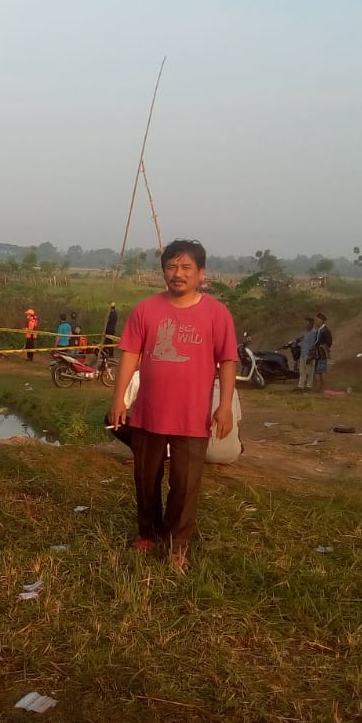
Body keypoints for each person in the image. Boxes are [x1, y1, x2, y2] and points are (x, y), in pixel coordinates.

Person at [109, 239, 237, 570]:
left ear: (200, 273)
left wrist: (223, 406)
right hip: (149, 413)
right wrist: (119, 398)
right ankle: (148, 534)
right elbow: (130, 357)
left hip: (193, 417)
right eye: (171, 267)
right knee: (145, 478)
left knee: (185, 483)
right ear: (163, 271)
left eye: (185, 267)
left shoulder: (216, 313)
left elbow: (227, 361)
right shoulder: (146, 310)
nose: (177, 274)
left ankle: (177, 543)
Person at [108, 370, 243, 465]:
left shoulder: (139, 376)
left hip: (195, 451)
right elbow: (237, 423)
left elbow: (120, 408)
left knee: (114, 420)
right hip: (227, 454)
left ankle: (150, 452)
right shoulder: (231, 392)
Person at [295, 316, 318, 391]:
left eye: (307, 323)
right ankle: (300, 385)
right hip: (303, 353)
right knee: (302, 371)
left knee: (309, 371)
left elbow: (313, 344)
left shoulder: (314, 332)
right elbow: (304, 343)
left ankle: (309, 386)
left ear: (311, 323)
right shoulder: (305, 333)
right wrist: (297, 344)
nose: (306, 324)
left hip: (309, 354)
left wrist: (311, 355)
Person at [313, 312, 333, 391]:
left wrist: (323, 347)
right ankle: (321, 386)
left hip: (322, 352)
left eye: (317, 320)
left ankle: (324, 387)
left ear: (321, 321)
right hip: (319, 352)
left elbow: (329, 342)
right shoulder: (320, 330)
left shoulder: (325, 331)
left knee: (322, 370)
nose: (316, 321)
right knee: (320, 371)